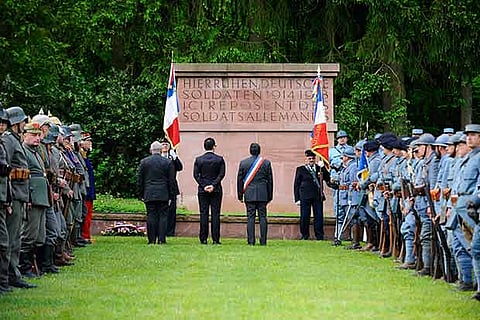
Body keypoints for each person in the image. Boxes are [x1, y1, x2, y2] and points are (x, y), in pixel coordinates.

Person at [3, 106, 36, 289]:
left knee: (15, 238)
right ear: (16, 123)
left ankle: (13, 274)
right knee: (10, 239)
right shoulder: (9, 141)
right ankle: (8, 276)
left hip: (20, 195)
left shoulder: (15, 140)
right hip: (14, 195)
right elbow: (5, 169)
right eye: (23, 121)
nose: (25, 124)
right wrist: (8, 198)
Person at [137, 141, 175, 244]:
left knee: (151, 215)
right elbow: (171, 181)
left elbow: (140, 180)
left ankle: (151, 239)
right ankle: (162, 239)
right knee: (163, 216)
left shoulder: (144, 162)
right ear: (160, 150)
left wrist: (140, 194)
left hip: (149, 192)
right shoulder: (167, 162)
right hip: (163, 193)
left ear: (151, 150)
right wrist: (172, 195)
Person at [237, 143, 273, 245]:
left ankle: (251, 241)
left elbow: (239, 180)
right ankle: (263, 241)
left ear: (250, 151)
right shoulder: (266, 163)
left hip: (249, 193)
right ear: (259, 151)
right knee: (263, 217)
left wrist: (240, 195)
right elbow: (270, 181)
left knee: (250, 217)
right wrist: (269, 196)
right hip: (263, 194)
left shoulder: (243, 163)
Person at [193, 137, 225, 245]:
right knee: (216, 214)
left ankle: (203, 238)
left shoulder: (199, 159)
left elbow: (196, 175)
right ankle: (216, 239)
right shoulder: (219, 159)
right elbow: (221, 174)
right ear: (214, 146)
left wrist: (204, 186)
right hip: (216, 190)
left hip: (203, 191)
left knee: (204, 213)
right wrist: (213, 185)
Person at [294, 149, 330, 240]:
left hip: (317, 196)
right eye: (309, 158)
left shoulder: (319, 168)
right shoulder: (301, 169)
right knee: (305, 216)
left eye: (313, 158)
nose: (311, 160)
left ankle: (319, 235)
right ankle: (305, 235)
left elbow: (327, 178)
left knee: (318, 216)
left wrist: (324, 168)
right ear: (306, 159)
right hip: (305, 196)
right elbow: (296, 185)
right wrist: (297, 199)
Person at [159, 138, 183, 237]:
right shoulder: (157, 157)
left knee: (171, 211)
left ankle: (170, 232)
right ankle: (160, 231)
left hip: (172, 187)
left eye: (166, 144)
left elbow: (180, 167)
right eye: (163, 144)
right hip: (160, 187)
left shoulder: (172, 157)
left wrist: (175, 158)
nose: (165, 146)